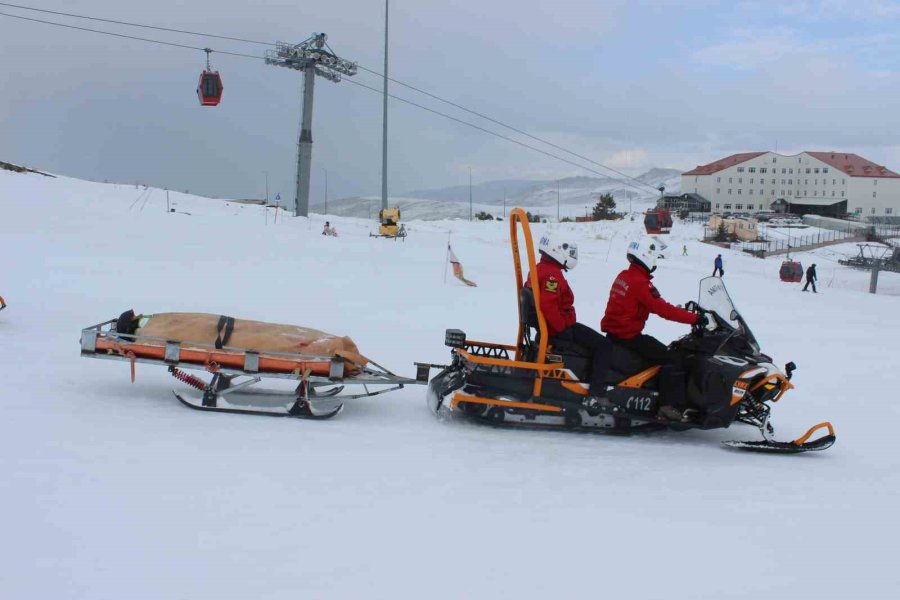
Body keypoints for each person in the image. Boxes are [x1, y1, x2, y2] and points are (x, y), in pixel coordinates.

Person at [601, 238, 710, 421]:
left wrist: (681, 311)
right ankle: (667, 406)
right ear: (646, 256)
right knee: (672, 357)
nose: (655, 263)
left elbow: (648, 304)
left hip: (617, 332)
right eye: (655, 258)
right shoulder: (640, 282)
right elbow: (663, 310)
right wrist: (694, 318)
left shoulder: (624, 276)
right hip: (628, 335)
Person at [526, 233, 612, 406]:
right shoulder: (552, 275)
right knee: (604, 346)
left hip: (550, 327)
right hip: (556, 328)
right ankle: (596, 393)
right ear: (558, 250)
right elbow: (548, 305)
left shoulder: (540, 268)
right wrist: (562, 329)